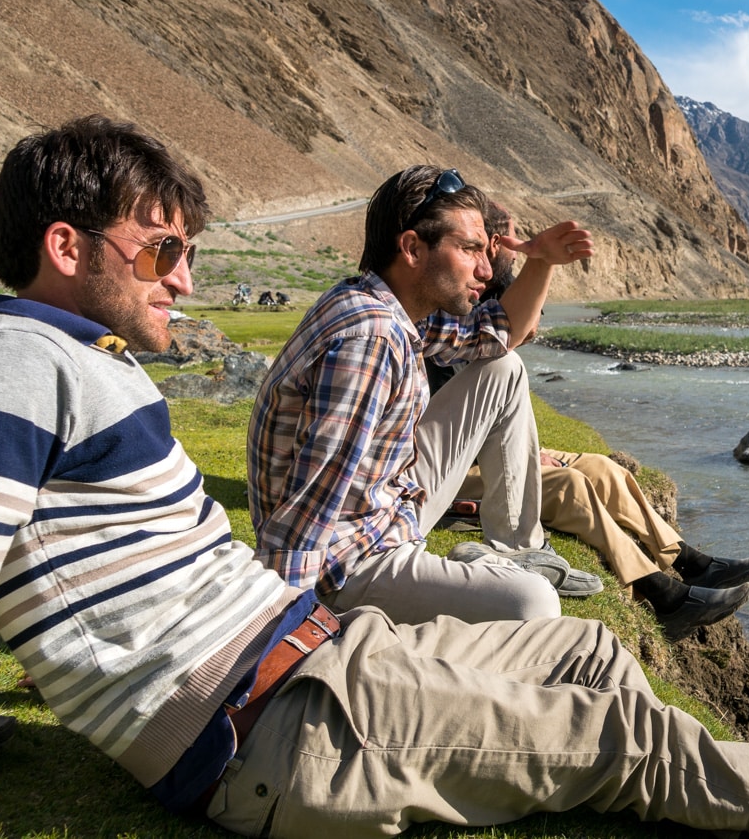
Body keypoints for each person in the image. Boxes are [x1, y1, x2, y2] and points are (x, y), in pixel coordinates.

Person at [0, 116, 749, 839]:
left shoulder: (92, 368)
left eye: (187, 250)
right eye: (162, 251)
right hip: (270, 723)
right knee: (614, 731)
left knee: (581, 646)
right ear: (66, 246)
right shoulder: (4, 371)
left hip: (307, 651)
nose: (186, 277)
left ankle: (681, 784)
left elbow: (489, 353)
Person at [247, 165, 598, 624]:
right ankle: (483, 577)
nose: (486, 269)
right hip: (349, 563)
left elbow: (499, 334)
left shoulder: (392, 304)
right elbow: (308, 507)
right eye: (470, 249)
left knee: (503, 368)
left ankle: (513, 551)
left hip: (385, 502)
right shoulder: (369, 340)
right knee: (533, 604)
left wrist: (543, 260)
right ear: (412, 248)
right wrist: (280, 625)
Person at [436, 201, 749, 637]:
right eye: (479, 247)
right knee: (570, 484)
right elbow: (442, 433)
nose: (492, 260)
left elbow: (498, 374)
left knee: (603, 468)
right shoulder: (436, 324)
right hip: (448, 473)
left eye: (489, 247)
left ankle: (688, 563)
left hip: (476, 453)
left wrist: (531, 452)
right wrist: (521, 461)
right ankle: (660, 595)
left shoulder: (458, 318)